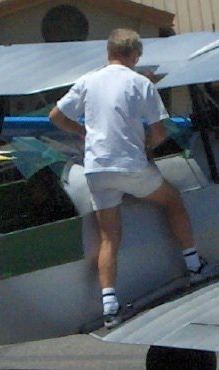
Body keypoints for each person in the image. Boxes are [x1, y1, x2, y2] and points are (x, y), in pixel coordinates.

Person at [50, 28, 206, 326]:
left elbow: (56, 116)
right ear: (134, 55)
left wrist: (83, 131)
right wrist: (146, 145)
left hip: (96, 168)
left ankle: (110, 304)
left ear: (109, 53)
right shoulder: (141, 83)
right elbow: (160, 132)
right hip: (130, 166)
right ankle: (195, 264)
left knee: (109, 236)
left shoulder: (88, 81)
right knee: (172, 200)